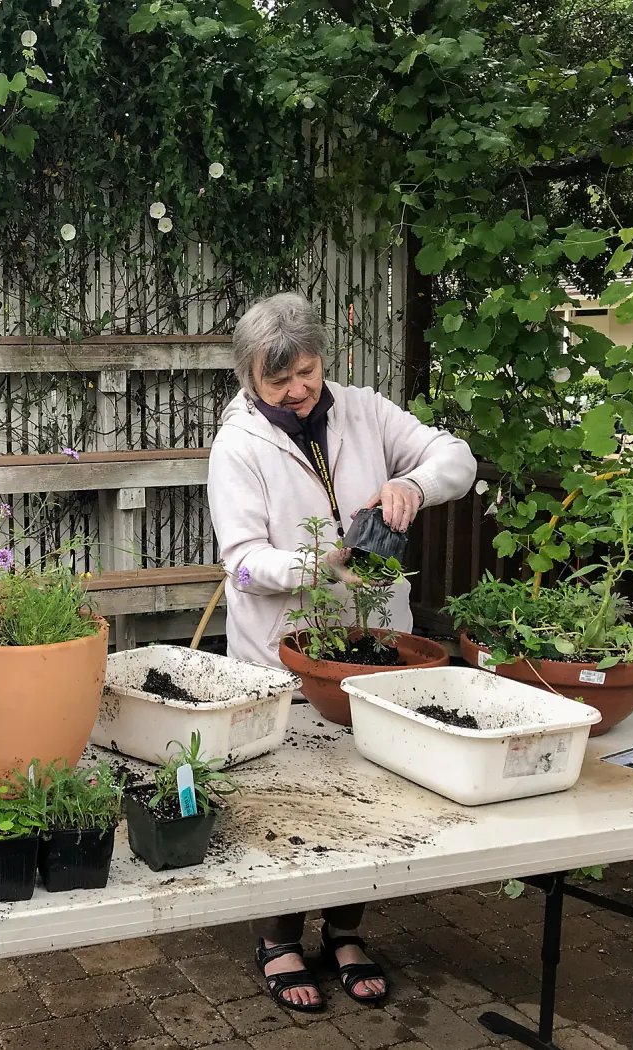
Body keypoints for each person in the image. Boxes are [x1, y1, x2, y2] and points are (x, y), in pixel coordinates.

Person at [207, 291, 476, 1012]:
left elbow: (456, 458)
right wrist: (317, 564)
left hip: (374, 651)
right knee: (290, 802)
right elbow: (241, 563)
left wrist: (412, 483)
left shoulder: (365, 410)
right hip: (283, 657)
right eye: (279, 380)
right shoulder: (238, 446)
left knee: (371, 795)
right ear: (249, 379)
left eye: (308, 371)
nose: (298, 389)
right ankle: (278, 939)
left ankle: (347, 931)